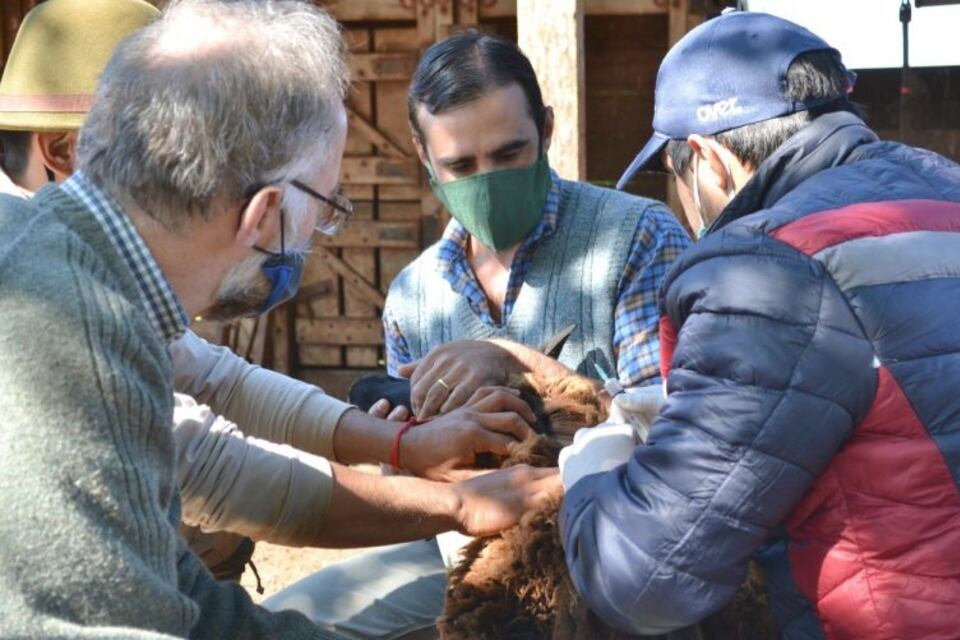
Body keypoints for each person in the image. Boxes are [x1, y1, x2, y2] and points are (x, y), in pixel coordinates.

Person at [0, 1, 559, 636]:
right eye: (324, 205)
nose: (317, 233)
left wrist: (413, 458)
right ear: (263, 213)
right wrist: (452, 499)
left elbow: (178, 594)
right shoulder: (71, 346)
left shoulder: (89, 282)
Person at [558, 10, 960, 638]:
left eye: (676, 178)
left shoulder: (764, 270)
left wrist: (591, 475)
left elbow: (646, 579)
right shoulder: (958, 192)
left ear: (709, 162)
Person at [264, 30, 690, 639]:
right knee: (284, 623)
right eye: (461, 166)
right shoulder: (413, 296)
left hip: (610, 545)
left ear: (546, 128)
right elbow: (409, 493)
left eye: (510, 153)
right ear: (423, 156)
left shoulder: (636, 238)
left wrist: (515, 362)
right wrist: (410, 446)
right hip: (458, 547)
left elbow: (678, 439)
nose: (487, 180)